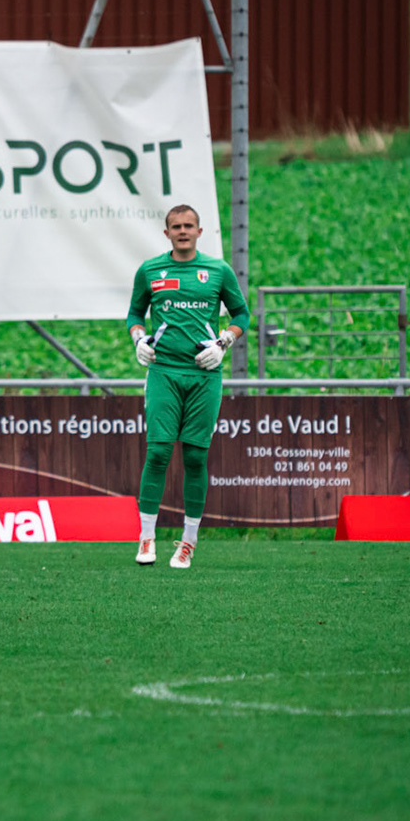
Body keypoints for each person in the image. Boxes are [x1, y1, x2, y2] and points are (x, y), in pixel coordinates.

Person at [126, 203, 251, 569]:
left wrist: (224, 343)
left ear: (199, 231)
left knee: (195, 456)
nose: (182, 231)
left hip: (204, 376)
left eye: (189, 225)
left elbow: (242, 313)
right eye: (175, 226)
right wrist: (138, 339)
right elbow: (135, 313)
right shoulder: (150, 270)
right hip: (163, 372)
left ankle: (188, 542)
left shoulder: (218, 270)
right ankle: (147, 536)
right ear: (166, 233)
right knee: (159, 453)